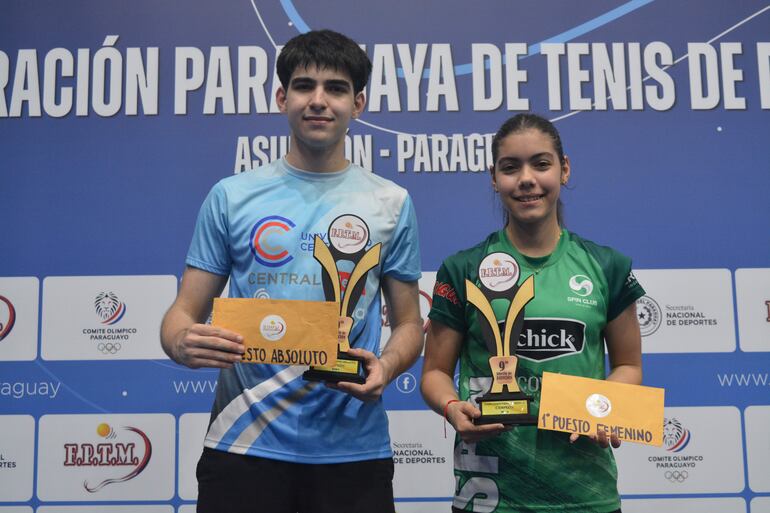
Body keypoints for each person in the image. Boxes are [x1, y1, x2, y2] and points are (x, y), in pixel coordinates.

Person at [160, 29, 423, 513]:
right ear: (282, 97)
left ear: (358, 103)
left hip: (353, 451)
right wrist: (180, 342)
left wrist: (385, 366)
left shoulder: (392, 202)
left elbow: (409, 324)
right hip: (243, 444)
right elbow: (181, 313)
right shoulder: (231, 196)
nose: (318, 101)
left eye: (336, 89)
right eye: (304, 86)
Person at [420, 113, 644, 513]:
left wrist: (604, 407)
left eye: (541, 164)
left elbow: (628, 365)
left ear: (564, 168)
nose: (526, 179)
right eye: (510, 167)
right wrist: (453, 408)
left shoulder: (606, 266)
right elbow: (435, 373)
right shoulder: (463, 269)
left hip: (586, 495)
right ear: (493, 178)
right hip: (490, 494)